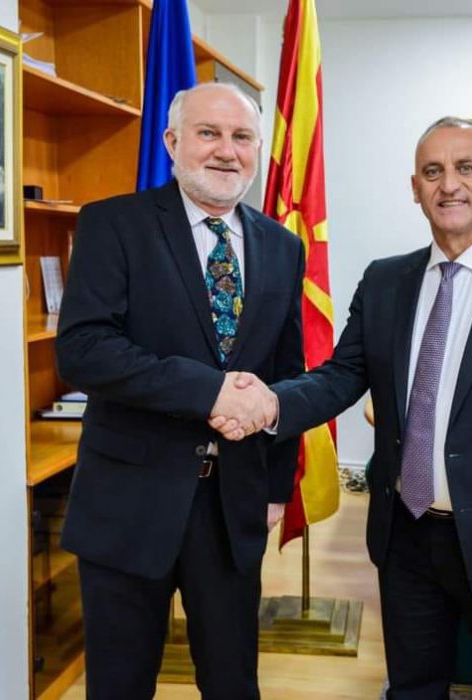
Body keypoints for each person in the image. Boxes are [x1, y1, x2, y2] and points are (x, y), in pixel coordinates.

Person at [212, 117, 472, 699]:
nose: (449, 184)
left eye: (465, 168)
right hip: (406, 537)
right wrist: (270, 403)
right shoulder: (385, 281)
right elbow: (341, 376)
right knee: (411, 688)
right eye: (432, 171)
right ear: (415, 188)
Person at [55, 82, 303, 700]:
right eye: (208, 133)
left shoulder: (282, 246)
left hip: (233, 505)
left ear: (258, 149)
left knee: (232, 683)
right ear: (171, 141)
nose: (226, 150)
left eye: (242, 137)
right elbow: (84, 350)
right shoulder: (114, 224)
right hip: (128, 501)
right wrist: (210, 392)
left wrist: (276, 486)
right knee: (120, 684)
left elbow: (285, 372)